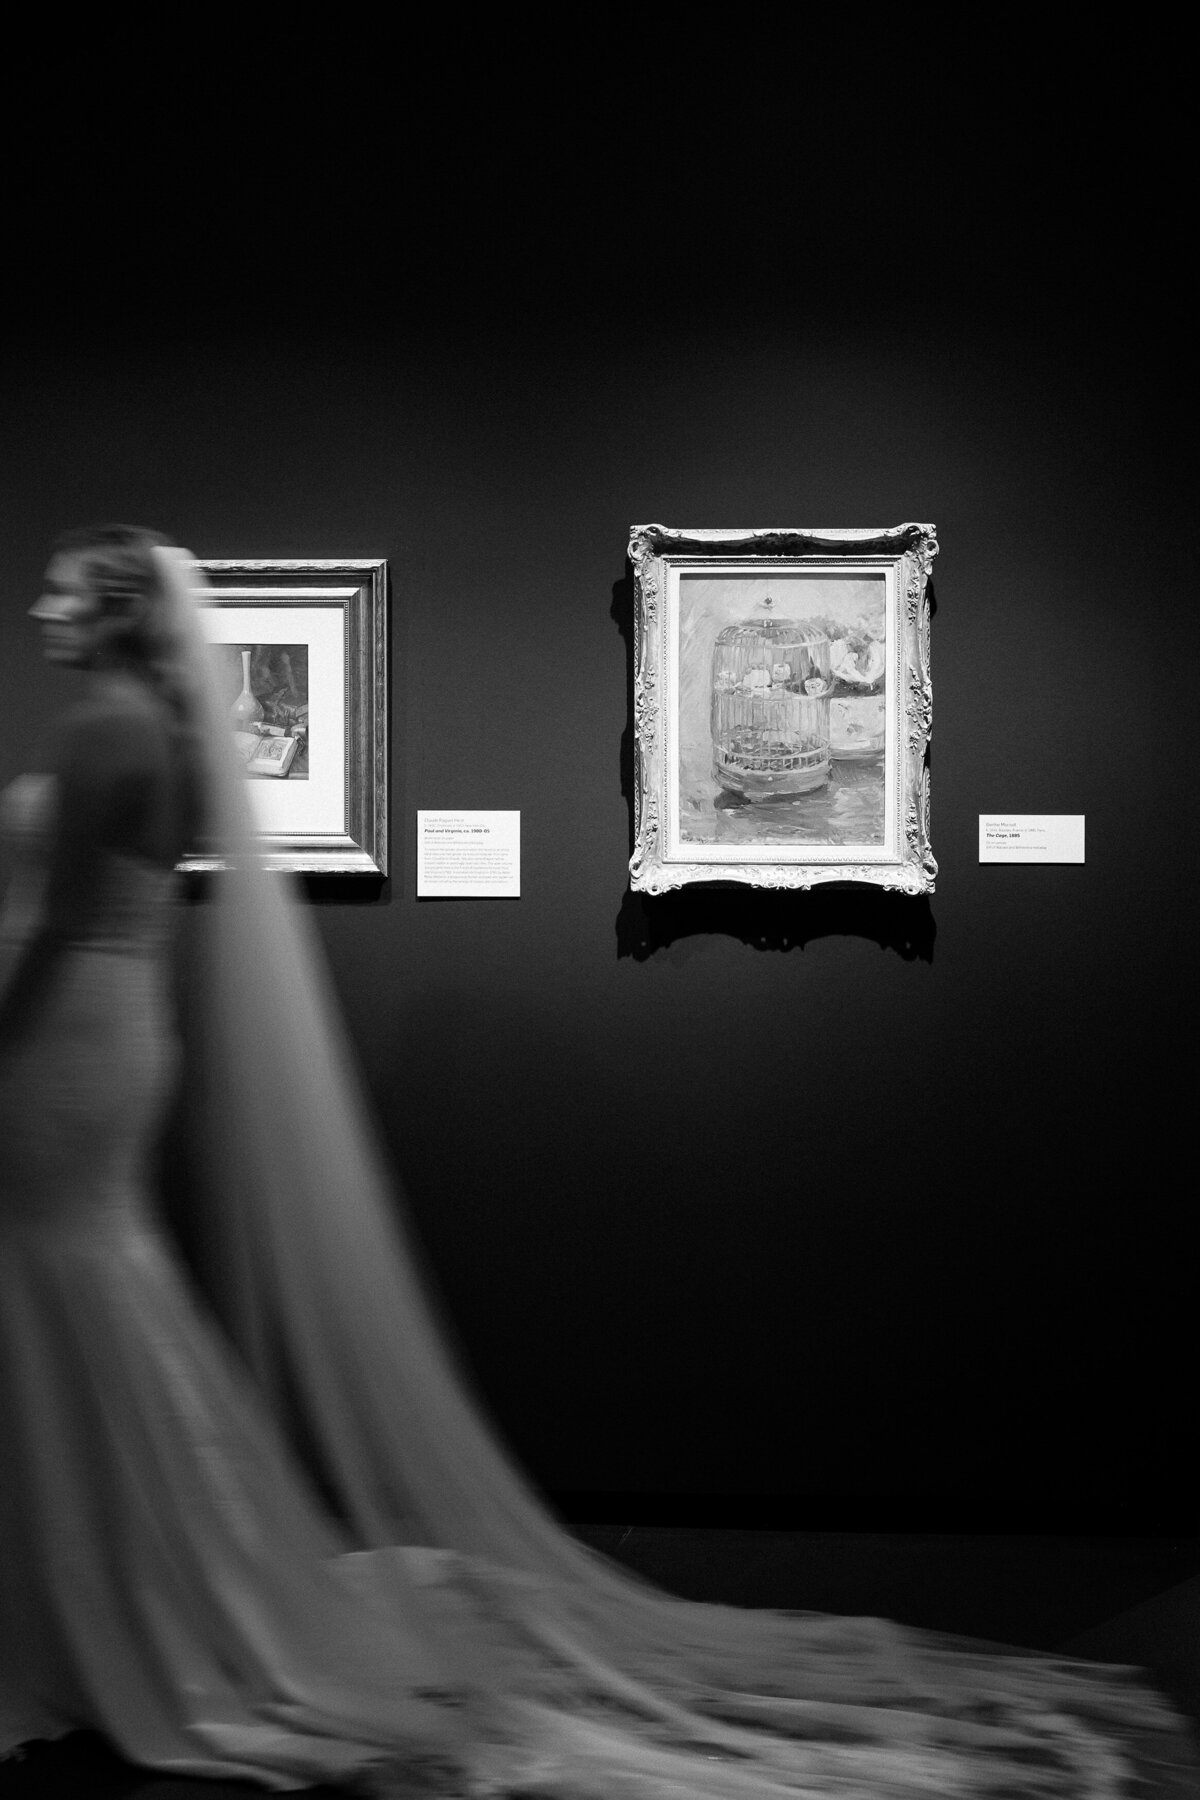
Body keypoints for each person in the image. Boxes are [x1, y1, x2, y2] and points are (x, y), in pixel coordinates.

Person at [0, 528, 1183, 1798]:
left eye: (66, 591)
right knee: (95, 1288)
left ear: (118, 612)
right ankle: (145, 1575)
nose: (41, 606)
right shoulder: (174, 740)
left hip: (60, 1042)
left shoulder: (105, 733)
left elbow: (63, 928)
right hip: (125, 1036)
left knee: (67, 1289)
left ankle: (99, 1589)